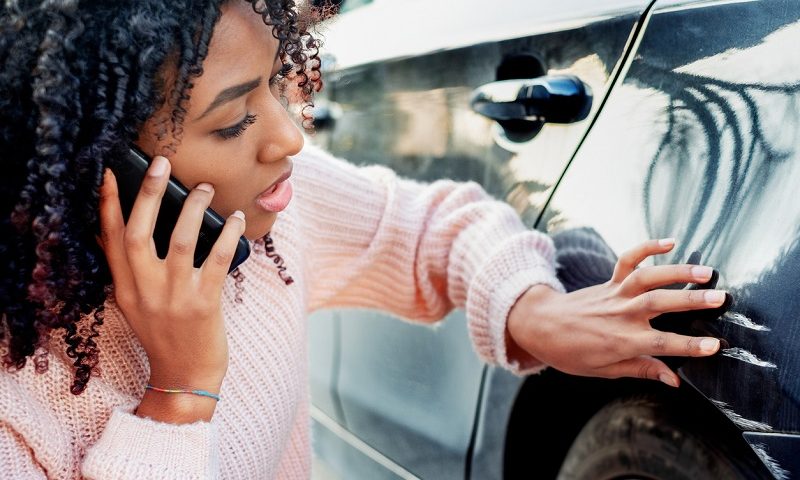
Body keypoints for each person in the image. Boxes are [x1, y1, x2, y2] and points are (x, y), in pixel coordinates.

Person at [0, 1, 727, 478]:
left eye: (276, 85)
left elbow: (430, 229)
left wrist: (530, 310)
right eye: (232, 122)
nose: (290, 136)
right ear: (90, 166)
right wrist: (179, 395)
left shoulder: (267, 215)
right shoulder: (18, 397)